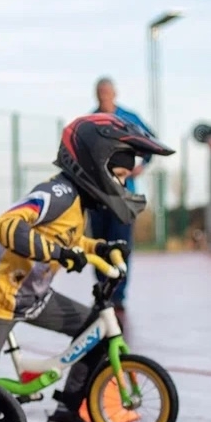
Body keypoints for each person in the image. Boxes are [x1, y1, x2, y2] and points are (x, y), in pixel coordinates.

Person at [0, 113, 174, 422]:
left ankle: (66, 417)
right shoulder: (58, 193)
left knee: (96, 334)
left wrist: (98, 247)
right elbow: (7, 224)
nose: (122, 186)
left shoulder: (78, 203)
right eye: (119, 176)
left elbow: (68, 240)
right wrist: (58, 253)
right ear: (96, 163)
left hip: (35, 297)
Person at [90, 77, 157, 315]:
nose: (104, 96)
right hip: (97, 194)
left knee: (120, 244)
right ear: (96, 94)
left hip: (123, 196)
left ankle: (118, 295)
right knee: (99, 244)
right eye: (100, 92)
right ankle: (102, 291)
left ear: (114, 93)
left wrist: (142, 165)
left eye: (107, 92)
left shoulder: (129, 118)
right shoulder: (90, 120)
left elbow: (151, 140)